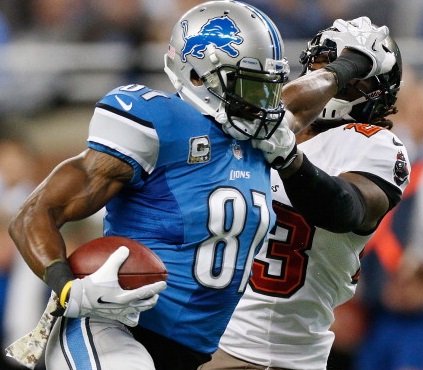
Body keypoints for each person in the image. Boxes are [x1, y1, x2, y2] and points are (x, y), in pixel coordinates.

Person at [5, 1, 396, 369]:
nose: (263, 101)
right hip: (116, 328)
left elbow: (305, 96)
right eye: (247, 85)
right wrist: (68, 288)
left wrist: (351, 64)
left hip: (192, 353)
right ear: (197, 75)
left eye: (267, 85)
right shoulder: (155, 121)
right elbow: (34, 214)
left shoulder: (256, 134)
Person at [199, 19, 410, 370]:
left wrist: (292, 162)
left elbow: (345, 209)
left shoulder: (373, 142)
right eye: (324, 65)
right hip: (197, 337)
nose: (331, 77)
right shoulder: (262, 129)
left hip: (263, 354)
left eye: (351, 72)